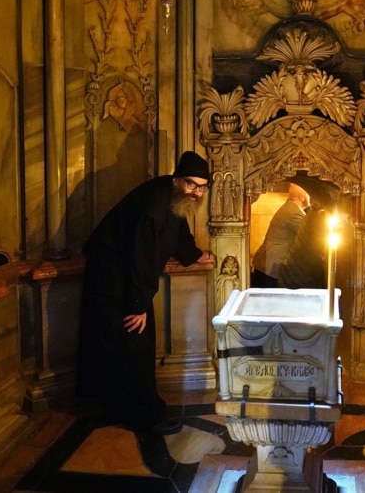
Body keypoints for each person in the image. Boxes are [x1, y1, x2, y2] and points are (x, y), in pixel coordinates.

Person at [75, 151, 216, 435]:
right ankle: (143, 415)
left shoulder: (173, 196)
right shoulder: (154, 206)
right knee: (132, 344)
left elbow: (178, 229)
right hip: (111, 275)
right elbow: (142, 257)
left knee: (127, 343)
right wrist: (137, 305)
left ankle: (123, 406)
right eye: (191, 184)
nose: (196, 192)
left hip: (124, 275)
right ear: (177, 180)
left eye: (201, 187)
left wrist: (193, 254)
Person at [278, 175, 341, 289]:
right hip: (299, 277)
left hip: (295, 273)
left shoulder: (314, 214)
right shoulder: (319, 218)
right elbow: (323, 251)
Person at [251, 183, 311, 287]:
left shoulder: (290, 207)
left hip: (265, 266)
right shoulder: (293, 212)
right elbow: (310, 233)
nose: (310, 198)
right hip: (269, 269)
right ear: (301, 197)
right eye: (308, 195)